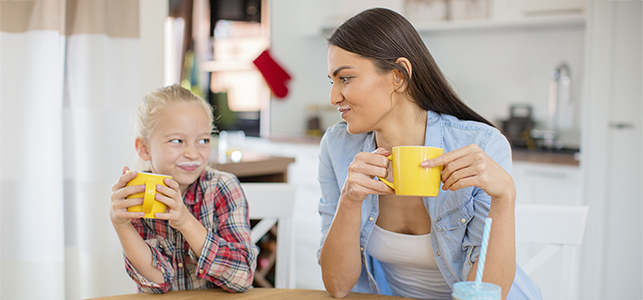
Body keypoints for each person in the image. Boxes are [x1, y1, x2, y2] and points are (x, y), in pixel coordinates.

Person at [317, 8, 541, 300]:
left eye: (345, 78)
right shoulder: (337, 147)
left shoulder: (480, 145)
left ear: (398, 76)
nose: (334, 97)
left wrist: (505, 197)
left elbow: (489, 294)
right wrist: (349, 200)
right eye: (332, 82)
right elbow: (337, 285)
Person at [109, 85, 258, 293]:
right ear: (145, 148)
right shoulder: (137, 196)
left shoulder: (223, 188)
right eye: (177, 141)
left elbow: (243, 277)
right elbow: (157, 285)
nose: (192, 153)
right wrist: (122, 225)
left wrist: (186, 222)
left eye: (203, 140)